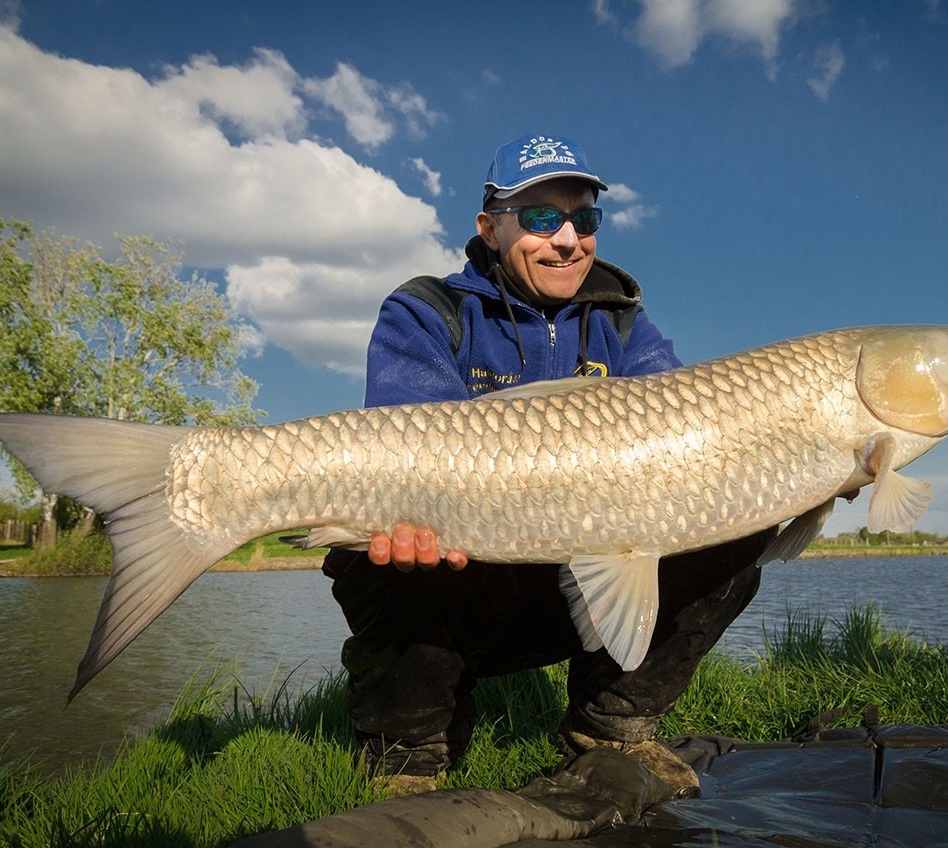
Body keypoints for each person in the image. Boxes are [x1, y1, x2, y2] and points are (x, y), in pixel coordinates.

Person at [322, 134, 774, 797]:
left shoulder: (624, 326)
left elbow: (691, 439)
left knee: (737, 524)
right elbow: (402, 454)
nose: (567, 238)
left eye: (584, 219)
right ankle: (411, 752)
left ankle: (609, 727)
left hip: (575, 588)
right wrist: (408, 515)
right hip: (463, 578)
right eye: (540, 218)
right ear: (490, 228)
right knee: (380, 549)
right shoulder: (427, 310)